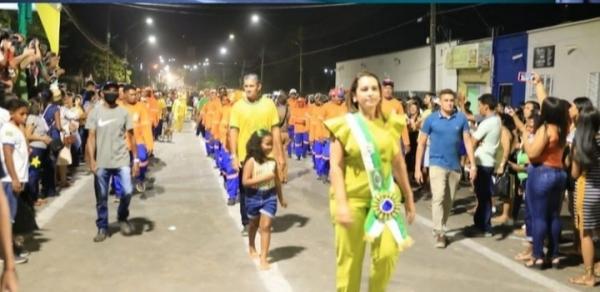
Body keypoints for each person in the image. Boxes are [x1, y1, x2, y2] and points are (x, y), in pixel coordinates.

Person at [326, 72, 415, 292]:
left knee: (387, 254)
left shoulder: (389, 124)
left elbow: (398, 163)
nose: (371, 93)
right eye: (364, 89)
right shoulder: (345, 125)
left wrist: (409, 197)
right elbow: (335, 166)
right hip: (352, 199)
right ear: (354, 96)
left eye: (374, 88)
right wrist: (342, 203)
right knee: (349, 261)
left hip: (384, 199)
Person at [414, 89, 476, 248]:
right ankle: (439, 232)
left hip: (454, 165)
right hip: (436, 163)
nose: (449, 103)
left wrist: (472, 164)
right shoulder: (431, 120)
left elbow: (468, 141)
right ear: (440, 102)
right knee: (439, 196)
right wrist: (417, 168)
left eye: (451, 100)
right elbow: (421, 144)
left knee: (449, 201)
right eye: (446, 100)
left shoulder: (461, 119)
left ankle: (440, 224)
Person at [522, 73, 569, 269]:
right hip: (559, 174)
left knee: (538, 216)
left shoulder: (545, 129)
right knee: (554, 216)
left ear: (546, 113)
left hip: (541, 173)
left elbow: (532, 154)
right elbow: (547, 103)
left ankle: (538, 256)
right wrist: (539, 84)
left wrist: (526, 137)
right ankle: (555, 255)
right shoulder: (562, 126)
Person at [229, 74, 285, 236]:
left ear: (259, 86)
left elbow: (275, 131)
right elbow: (234, 131)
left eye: (251, 86)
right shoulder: (238, 106)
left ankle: (262, 219)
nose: (248, 89)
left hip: (266, 156)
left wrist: (280, 156)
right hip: (246, 156)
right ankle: (247, 222)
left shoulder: (269, 105)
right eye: (245, 86)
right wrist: (233, 155)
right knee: (247, 189)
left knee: (266, 188)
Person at [85, 82, 139, 242]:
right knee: (101, 198)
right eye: (108, 90)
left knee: (128, 191)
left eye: (115, 90)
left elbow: (132, 136)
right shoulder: (95, 113)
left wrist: (135, 159)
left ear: (118, 93)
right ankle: (102, 226)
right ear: (102, 93)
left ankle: (122, 216)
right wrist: (92, 160)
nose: (111, 93)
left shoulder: (124, 113)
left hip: (122, 159)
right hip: (102, 162)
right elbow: (91, 138)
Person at [242, 129, 287, 270]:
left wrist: (281, 198)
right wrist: (264, 178)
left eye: (271, 144)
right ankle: (251, 245)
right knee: (254, 224)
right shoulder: (251, 162)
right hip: (253, 197)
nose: (270, 147)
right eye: (267, 144)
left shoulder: (272, 162)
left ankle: (264, 258)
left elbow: (277, 182)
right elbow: (245, 181)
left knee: (266, 226)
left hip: (270, 196)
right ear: (257, 145)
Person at [569, 107, 600, 287]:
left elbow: (574, 173)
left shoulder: (581, 143)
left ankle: (589, 275)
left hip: (587, 191)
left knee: (586, 233)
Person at [0, 98, 30, 264]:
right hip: (8, 180)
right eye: (22, 114)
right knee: (7, 218)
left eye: (26, 113)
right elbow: (7, 154)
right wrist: (14, 178)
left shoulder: (16, 129)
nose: (25, 117)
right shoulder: (9, 131)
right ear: (11, 113)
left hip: (13, 178)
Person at [466, 94, 501, 237]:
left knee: (484, 196)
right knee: (482, 195)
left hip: (483, 162)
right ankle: (479, 223)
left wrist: (470, 160)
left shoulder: (488, 123)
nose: (478, 108)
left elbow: (473, 141)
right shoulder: (496, 120)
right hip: (488, 161)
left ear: (486, 106)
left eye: (479, 105)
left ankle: (485, 226)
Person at [380, 78, 410, 153]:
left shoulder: (397, 104)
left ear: (393, 90)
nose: (388, 90)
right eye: (385, 88)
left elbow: (402, 124)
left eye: (390, 88)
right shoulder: (376, 102)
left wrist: (406, 142)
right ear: (382, 89)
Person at [275, 92, 290, 183]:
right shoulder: (288, 109)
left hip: (278, 134)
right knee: (285, 156)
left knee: (278, 156)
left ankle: (279, 177)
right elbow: (288, 120)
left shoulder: (277, 110)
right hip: (286, 134)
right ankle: (285, 177)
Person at [290, 95, 309, 160]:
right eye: (299, 102)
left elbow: (309, 119)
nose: (300, 103)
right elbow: (293, 120)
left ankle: (303, 154)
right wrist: (301, 121)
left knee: (306, 143)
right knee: (298, 143)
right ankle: (298, 155)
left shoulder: (307, 109)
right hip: (298, 130)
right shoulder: (294, 110)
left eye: (301, 102)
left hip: (305, 130)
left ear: (304, 102)